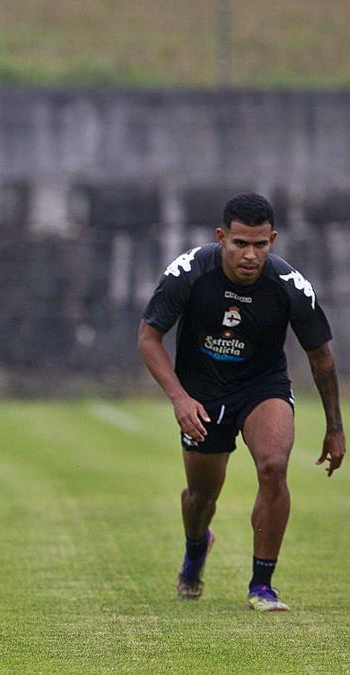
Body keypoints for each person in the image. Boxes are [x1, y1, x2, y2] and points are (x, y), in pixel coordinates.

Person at [138, 192, 343, 612]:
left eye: (260, 245)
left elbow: (321, 358)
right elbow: (148, 337)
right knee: (201, 498)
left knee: (273, 466)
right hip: (202, 392)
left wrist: (335, 428)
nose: (250, 255)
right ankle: (196, 549)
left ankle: (262, 585)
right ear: (221, 237)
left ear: (273, 240)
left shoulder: (289, 287)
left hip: (261, 386)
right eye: (240, 244)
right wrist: (179, 398)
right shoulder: (190, 272)